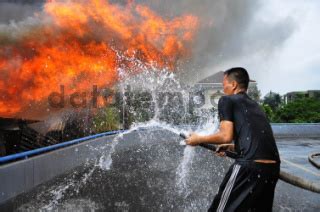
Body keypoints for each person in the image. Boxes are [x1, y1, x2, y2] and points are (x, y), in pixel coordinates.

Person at [186, 67, 280, 212]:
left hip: (249, 168)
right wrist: (231, 147)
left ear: (234, 85)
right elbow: (258, 140)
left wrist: (198, 139)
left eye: (224, 84)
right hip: (272, 169)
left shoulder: (227, 100)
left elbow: (225, 135)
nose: (223, 88)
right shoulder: (256, 106)